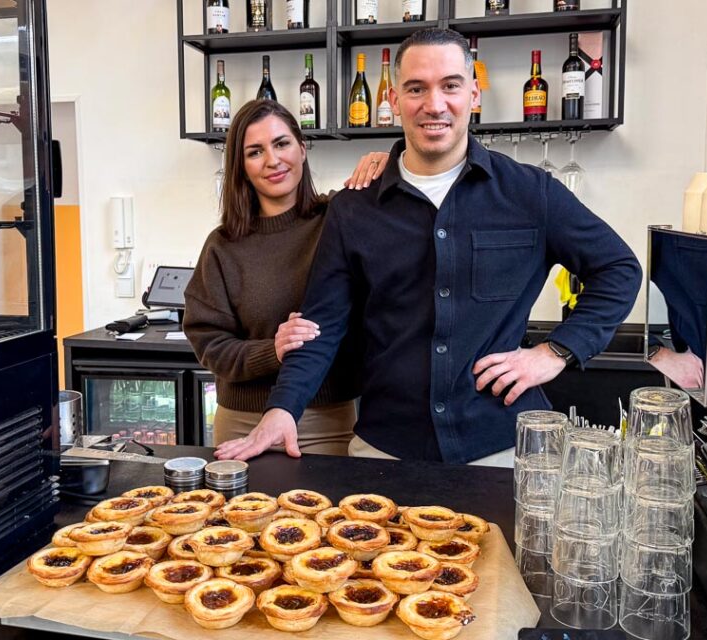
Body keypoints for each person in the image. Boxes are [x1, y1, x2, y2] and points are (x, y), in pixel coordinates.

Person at [215, 28, 642, 465]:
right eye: (416, 88)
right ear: (395, 101)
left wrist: (555, 352)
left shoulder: (531, 194)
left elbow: (620, 270)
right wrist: (283, 408)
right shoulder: (354, 208)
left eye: (451, 86)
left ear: (473, 94)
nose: (434, 104)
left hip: (505, 448)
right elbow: (322, 326)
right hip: (385, 450)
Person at [183, 99, 388, 455]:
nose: (273, 160)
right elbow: (208, 344)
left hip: (329, 422)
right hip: (243, 424)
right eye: (255, 152)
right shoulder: (223, 247)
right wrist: (271, 350)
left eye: (281, 143)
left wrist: (391, 164)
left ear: (302, 148)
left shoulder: (338, 220)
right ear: (241, 167)